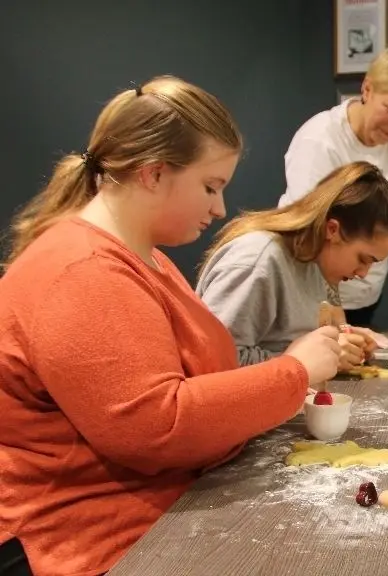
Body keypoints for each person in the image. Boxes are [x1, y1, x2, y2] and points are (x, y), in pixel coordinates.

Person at [0, 77, 347, 576]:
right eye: (211, 186)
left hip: (160, 503)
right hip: (94, 538)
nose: (220, 208)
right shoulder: (83, 270)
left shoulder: (147, 258)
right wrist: (294, 372)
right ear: (153, 174)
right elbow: (154, 429)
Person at [280, 46, 388, 330]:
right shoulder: (319, 141)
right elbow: (310, 234)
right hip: (308, 291)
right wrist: (335, 315)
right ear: (367, 89)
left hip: (366, 292)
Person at [196, 161, 388, 367]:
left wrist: (340, 340)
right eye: (363, 259)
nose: (363, 274)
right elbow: (213, 363)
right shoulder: (258, 263)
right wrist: (304, 361)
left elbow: (289, 338)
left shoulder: (315, 261)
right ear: (332, 230)